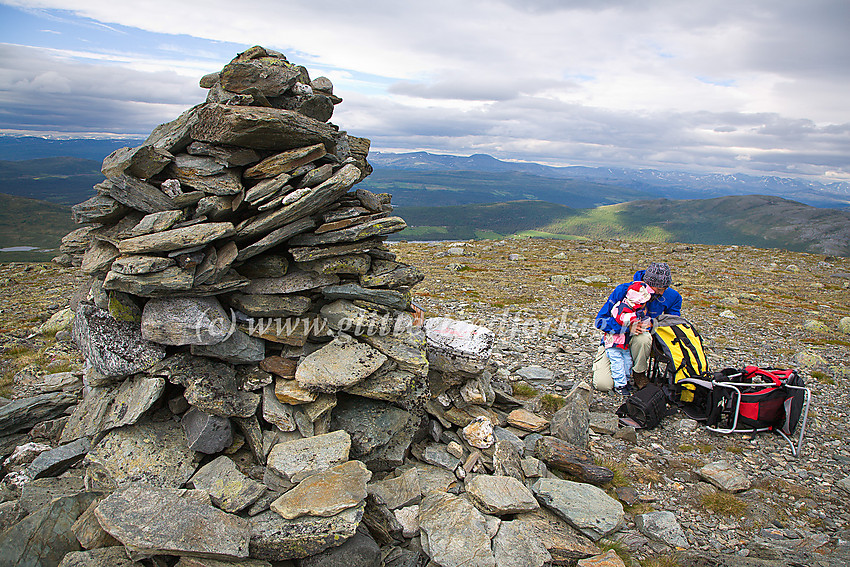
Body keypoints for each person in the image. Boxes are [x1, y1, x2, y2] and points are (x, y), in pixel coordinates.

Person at [592, 262, 682, 392]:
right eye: (660, 288)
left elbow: (673, 323)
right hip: (615, 341)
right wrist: (627, 328)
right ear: (649, 283)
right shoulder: (623, 290)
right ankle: (610, 363)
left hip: (644, 343)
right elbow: (600, 321)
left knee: (643, 338)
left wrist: (654, 324)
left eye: (665, 288)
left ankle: (639, 373)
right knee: (603, 385)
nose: (662, 292)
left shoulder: (673, 297)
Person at [603, 281, 653, 395]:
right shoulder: (621, 308)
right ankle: (620, 385)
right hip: (614, 343)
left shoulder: (630, 308)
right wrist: (636, 316)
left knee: (627, 362)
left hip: (623, 343)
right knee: (617, 363)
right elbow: (622, 319)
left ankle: (625, 382)